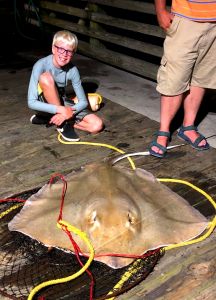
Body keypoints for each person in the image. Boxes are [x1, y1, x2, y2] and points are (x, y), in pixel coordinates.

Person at [149, 0, 216, 158]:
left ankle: (188, 127)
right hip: (185, 20)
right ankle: (164, 131)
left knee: (202, 76)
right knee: (174, 78)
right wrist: (160, 10)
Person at [28, 30, 103, 141]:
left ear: (73, 53)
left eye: (69, 51)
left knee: (97, 125)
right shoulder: (40, 65)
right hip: (43, 103)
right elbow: (31, 102)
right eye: (61, 49)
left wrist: (66, 113)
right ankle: (62, 125)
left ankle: (53, 119)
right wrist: (62, 110)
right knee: (46, 78)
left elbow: (83, 102)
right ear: (53, 48)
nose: (64, 54)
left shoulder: (73, 70)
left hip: (61, 101)